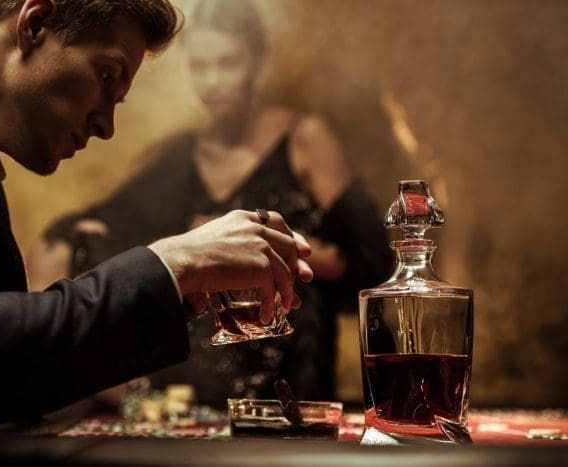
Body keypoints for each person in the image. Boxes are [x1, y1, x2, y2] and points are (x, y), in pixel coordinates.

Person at [0, 0, 314, 436]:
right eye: (107, 75)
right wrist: (176, 263)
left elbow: (2, 380)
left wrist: (179, 285)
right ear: (35, 23)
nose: (107, 126)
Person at [28, 0, 391, 407]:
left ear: (257, 61)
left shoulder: (304, 138)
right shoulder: (180, 156)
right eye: (200, 67)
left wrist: (250, 239)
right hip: (194, 384)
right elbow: (104, 225)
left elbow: (372, 260)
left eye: (227, 63)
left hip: (289, 373)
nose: (213, 81)